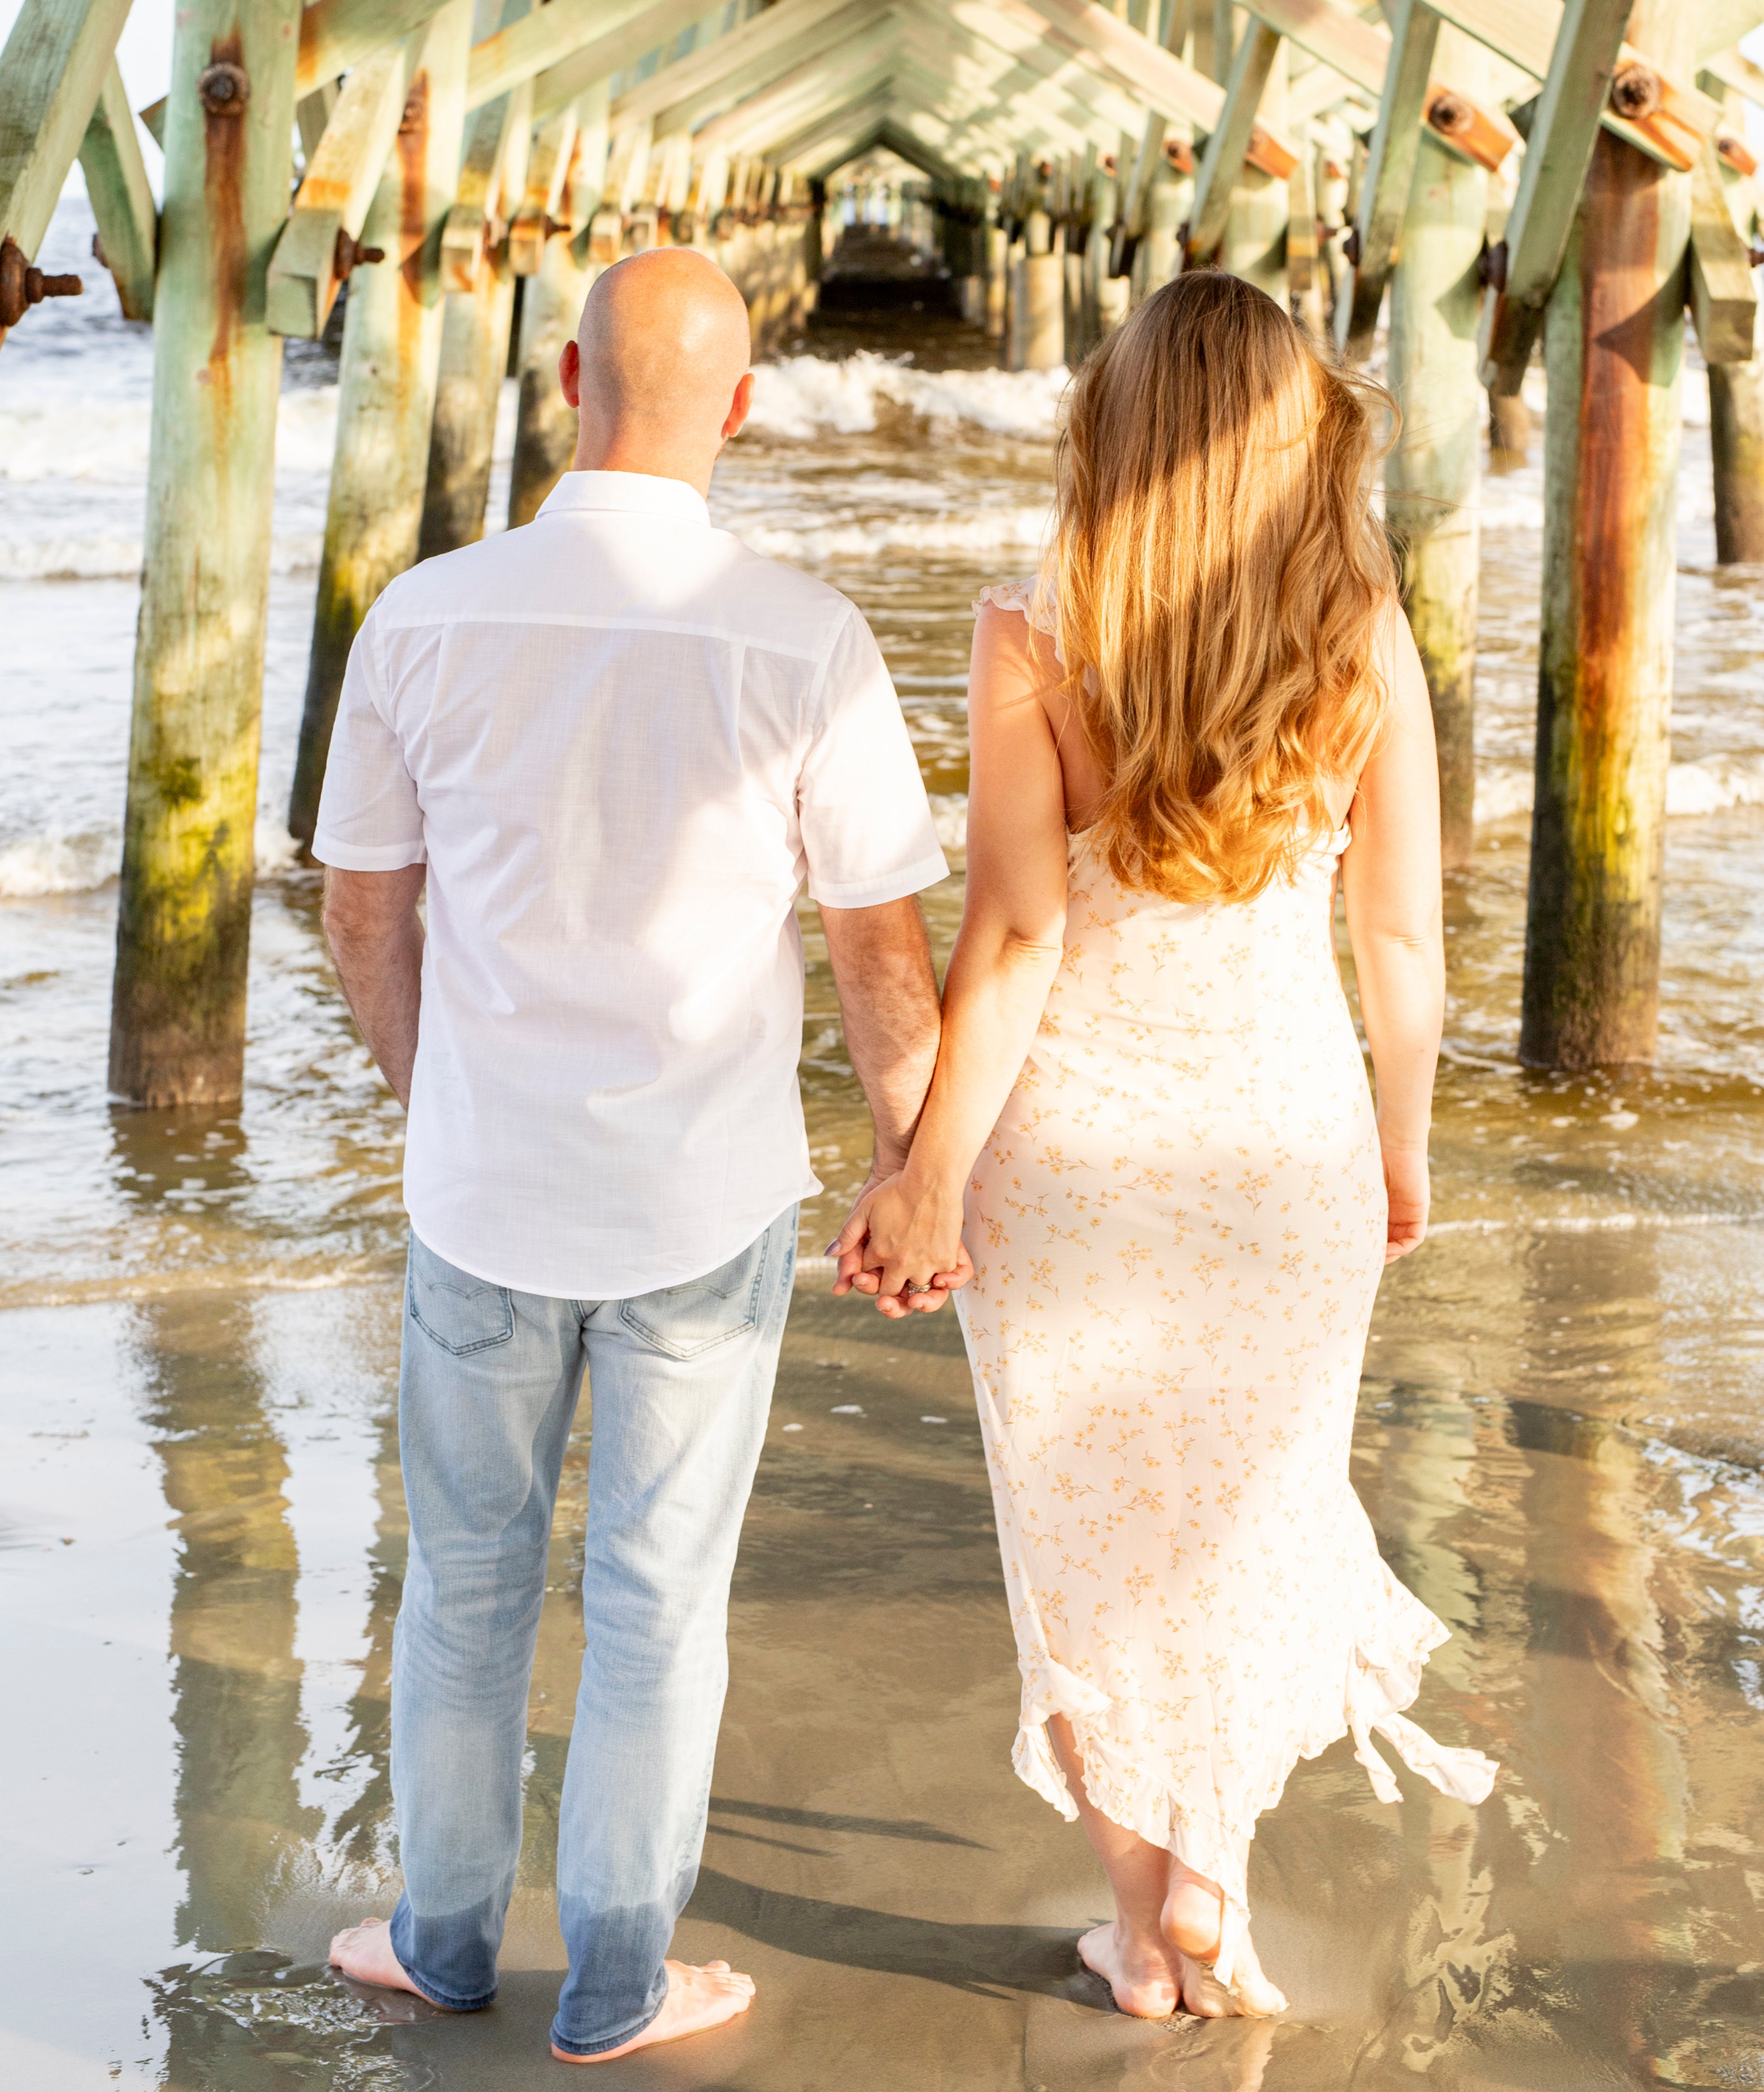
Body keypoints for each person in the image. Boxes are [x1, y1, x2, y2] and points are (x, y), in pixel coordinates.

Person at [314, 248, 953, 2064]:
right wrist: (920, 1176)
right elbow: (878, 957)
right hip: (701, 1203)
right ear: (741, 410)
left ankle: (441, 1944)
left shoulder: (427, 614)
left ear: (566, 387)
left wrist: (438, 1095)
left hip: (485, 1195)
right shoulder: (804, 636)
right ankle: (613, 1985)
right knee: (661, 1605)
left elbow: (368, 914)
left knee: (465, 1585)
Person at [834, 271, 1497, 2019]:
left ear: (1112, 431)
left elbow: (1016, 939)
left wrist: (930, 1173)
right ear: (1301, 439)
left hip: (1073, 1156)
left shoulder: (1034, 633)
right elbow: (1404, 946)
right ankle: (1219, 1877)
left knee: (1089, 1538)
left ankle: (1146, 1925)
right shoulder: (1362, 635)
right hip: (1288, 1144)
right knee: (1245, 1516)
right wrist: (1401, 1145)